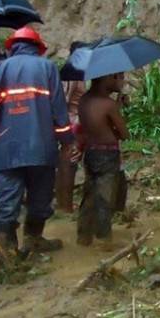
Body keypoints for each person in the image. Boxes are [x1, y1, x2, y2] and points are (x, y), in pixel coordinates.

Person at [0, 26, 75, 263]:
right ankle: (34, 239)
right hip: (41, 147)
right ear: (38, 48)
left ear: (13, 46)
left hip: (7, 148)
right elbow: (58, 109)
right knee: (40, 196)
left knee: (7, 199)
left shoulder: (0, 69)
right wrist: (66, 141)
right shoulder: (47, 67)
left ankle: (7, 250)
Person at [76, 72, 128, 246]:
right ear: (107, 79)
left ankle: (83, 235)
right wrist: (118, 111)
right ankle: (104, 239)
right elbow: (124, 133)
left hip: (91, 152)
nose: (120, 81)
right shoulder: (108, 104)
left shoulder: (84, 100)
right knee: (105, 197)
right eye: (117, 77)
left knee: (89, 194)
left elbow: (92, 126)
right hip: (107, 154)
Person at [55, 41, 87, 213]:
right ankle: (64, 205)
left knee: (69, 163)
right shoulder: (72, 72)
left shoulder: (76, 72)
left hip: (76, 122)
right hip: (72, 122)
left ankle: (63, 204)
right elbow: (64, 100)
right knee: (68, 163)